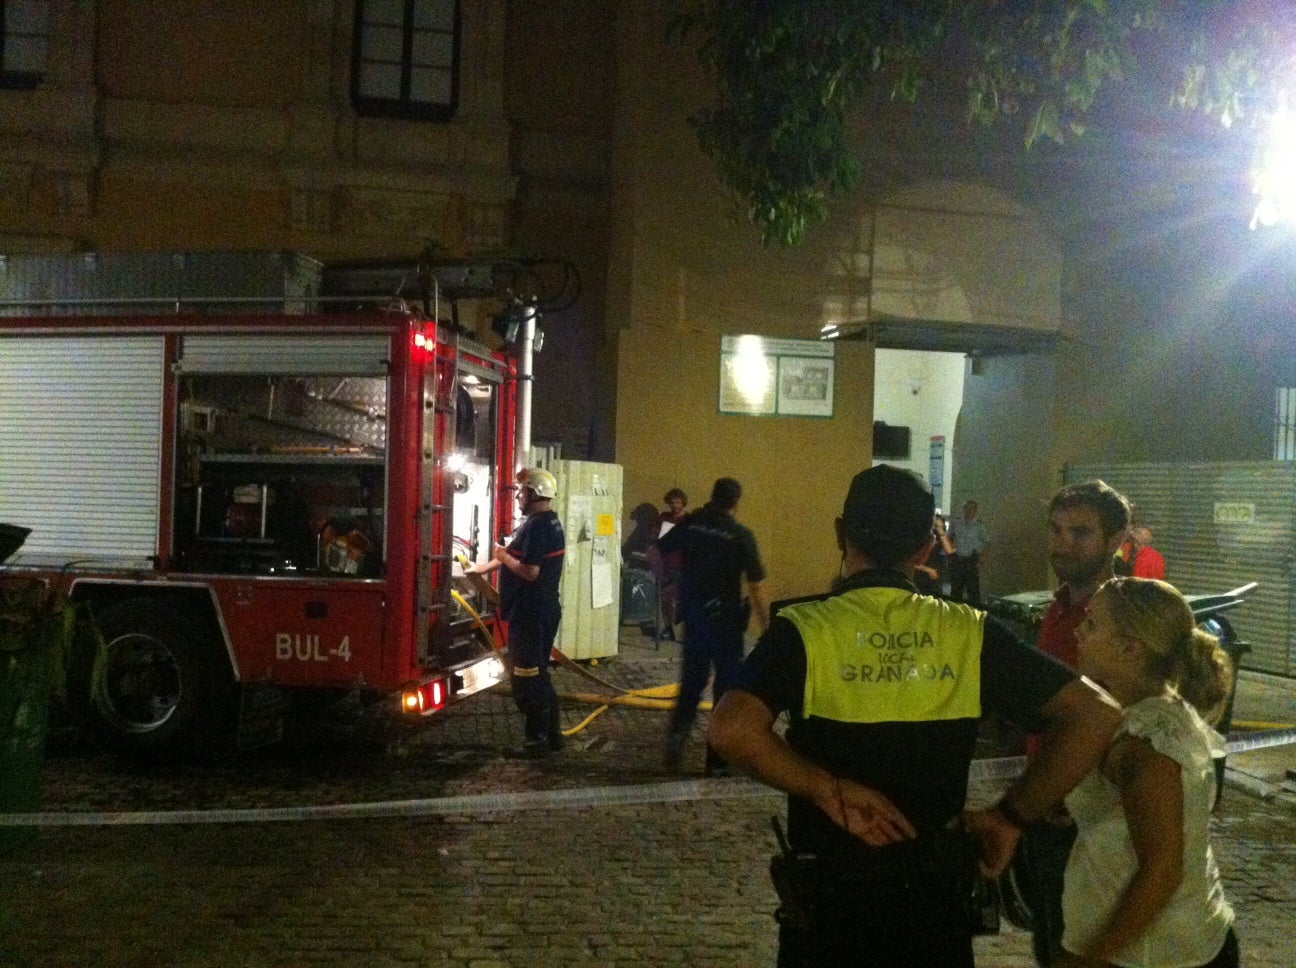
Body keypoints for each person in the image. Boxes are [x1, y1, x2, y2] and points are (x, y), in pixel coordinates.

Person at [707, 465, 1122, 968]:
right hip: (934, 899)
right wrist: (1011, 816)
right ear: (926, 547)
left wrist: (826, 789)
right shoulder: (971, 633)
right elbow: (1095, 716)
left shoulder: (802, 628)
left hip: (830, 903)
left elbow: (731, 729)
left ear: (842, 534)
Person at [1055, 576, 1238, 968]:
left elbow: (1162, 872)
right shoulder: (1131, 713)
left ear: (1129, 648)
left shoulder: (1148, 747)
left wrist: (1090, 960)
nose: (1077, 631)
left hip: (1155, 954)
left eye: (1091, 624)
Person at [1018, 479, 1132, 967]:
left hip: (1090, 816)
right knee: (1050, 938)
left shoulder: (1127, 617)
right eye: (1057, 530)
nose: (1063, 544)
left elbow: (1131, 714)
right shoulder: (1059, 607)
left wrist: (1074, 789)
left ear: (1115, 540)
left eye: (1081, 533)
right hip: (1048, 806)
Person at [659, 476, 769, 775]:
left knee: (692, 683)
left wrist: (673, 581)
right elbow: (757, 586)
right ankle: (717, 761)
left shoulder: (691, 524)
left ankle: (677, 740)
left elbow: (661, 548)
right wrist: (767, 628)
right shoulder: (740, 535)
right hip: (727, 622)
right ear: (735, 503)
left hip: (695, 616)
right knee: (726, 690)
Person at [467, 466, 566, 757]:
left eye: (522, 491)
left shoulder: (537, 527)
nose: (518, 496)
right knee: (539, 673)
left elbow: (529, 571)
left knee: (526, 677)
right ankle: (553, 736)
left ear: (534, 493)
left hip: (531, 614)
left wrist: (500, 557)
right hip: (541, 611)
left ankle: (536, 742)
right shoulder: (545, 522)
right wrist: (481, 569)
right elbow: (512, 554)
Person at [648, 487, 689, 639]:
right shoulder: (664, 517)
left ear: (683, 502)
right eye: (672, 502)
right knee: (665, 597)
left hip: (682, 564)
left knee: (682, 598)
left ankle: (683, 631)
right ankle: (668, 628)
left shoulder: (688, 519)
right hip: (666, 563)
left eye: (678, 502)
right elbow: (654, 535)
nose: (675, 506)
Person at [947, 498, 989, 604]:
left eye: (972, 509)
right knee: (956, 590)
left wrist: (982, 559)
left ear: (976, 511)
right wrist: (950, 555)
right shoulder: (956, 523)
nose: (969, 511)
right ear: (963, 509)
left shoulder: (979, 526)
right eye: (967, 508)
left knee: (973, 591)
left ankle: (974, 614)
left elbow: (988, 543)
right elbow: (949, 538)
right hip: (958, 560)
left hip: (971, 561)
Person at [913, 511, 954, 596]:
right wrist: (928, 570)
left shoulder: (942, 537)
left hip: (936, 577)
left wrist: (940, 529)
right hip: (921, 575)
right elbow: (912, 560)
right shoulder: (922, 537)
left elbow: (949, 550)